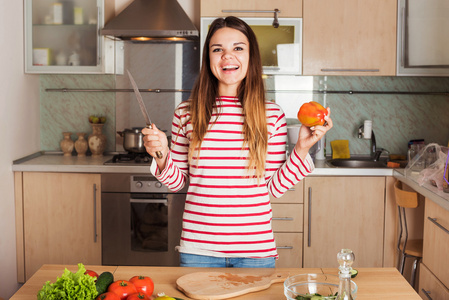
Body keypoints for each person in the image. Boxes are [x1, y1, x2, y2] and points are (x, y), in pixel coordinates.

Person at [142, 16, 333, 268]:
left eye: (238, 48)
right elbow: (178, 183)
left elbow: (273, 188)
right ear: (208, 58)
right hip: (199, 249)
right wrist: (161, 155)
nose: (227, 56)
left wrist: (301, 149)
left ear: (251, 57)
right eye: (217, 49)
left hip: (255, 250)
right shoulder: (186, 112)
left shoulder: (271, 114)